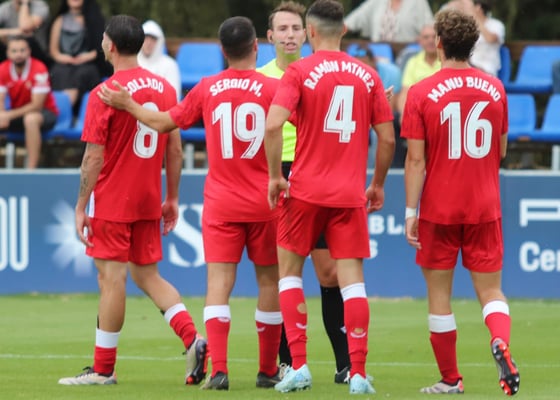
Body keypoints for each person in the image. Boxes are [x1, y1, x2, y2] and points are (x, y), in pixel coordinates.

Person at [97, 16, 283, 391]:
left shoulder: (207, 87)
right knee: (269, 281)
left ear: (222, 50)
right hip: (265, 200)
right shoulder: (274, 88)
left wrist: (129, 104)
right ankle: (267, 370)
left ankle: (220, 371)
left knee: (218, 283)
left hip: (222, 202)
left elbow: (164, 123)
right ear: (256, 47)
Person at [57, 14, 208, 386]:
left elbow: (93, 157)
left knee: (111, 279)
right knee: (147, 274)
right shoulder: (165, 88)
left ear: (109, 45)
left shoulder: (106, 92)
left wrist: (81, 206)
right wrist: (172, 197)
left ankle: (103, 369)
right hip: (147, 197)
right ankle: (193, 338)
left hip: (113, 199)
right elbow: (175, 150)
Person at [265, 0, 395, 394]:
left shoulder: (299, 71)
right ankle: (357, 373)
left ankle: (299, 366)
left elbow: (272, 126)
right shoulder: (368, 75)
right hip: (348, 193)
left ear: (310, 32)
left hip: (304, 191)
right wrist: (377, 184)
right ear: (344, 31)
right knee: (351, 283)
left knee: (289, 274)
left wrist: (275, 177)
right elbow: (388, 138)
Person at [401, 8, 520, 396]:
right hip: (484, 205)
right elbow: (501, 150)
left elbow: (415, 160)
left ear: (438, 43)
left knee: (439, 296)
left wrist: (411, 212)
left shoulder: (420, 92)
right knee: (492, 292)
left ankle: (451, 379)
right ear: (473, 44)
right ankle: (499, 340)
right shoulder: (495, 88)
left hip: (439, 208)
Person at [258, 0, 352, 384]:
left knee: (329, 273)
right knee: (283, 271)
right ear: (270, 36)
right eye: (282, 29)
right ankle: (287, 363)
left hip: (317, 174)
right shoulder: (260, 79)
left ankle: (345, 363)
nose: (290, 35)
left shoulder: (323, 73)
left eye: (296, 28)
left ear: (308, 32)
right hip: (277, 176)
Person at [0, 35, 58, 169]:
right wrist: (2, 115)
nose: (18, 54)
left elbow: (37, 105)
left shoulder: (39, 68)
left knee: (30, 119)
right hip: (17, 113)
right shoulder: (2, 69)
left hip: (45, 113)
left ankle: (31, 171)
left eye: (22, 50)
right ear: (8, 53)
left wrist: (7, 115)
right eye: (14, 51)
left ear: (29, 51)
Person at [347, 44, 404, 168]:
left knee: (377, 131)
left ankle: (372, 171)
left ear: (374, 62)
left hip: (378, 115)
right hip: (354, 116)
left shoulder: (392, 72)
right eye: (358, 65)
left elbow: (390, 108)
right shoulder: (348, 75)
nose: (361, 69)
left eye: (365, 64)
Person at [48, 0, 105, 109]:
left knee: (83, 74)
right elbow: (53, 51)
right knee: (59, 73)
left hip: (87, 64)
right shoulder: (59, 20)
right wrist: (65, 58)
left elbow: (100, 47)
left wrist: (87, 56)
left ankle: (72, 109)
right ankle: (63, 111)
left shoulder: (94, 20)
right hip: (63, 63)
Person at [396, 24, 441, 123]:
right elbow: (405, 93)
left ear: (440, 40)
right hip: (418, 111)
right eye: (426, 37)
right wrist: (404, 115)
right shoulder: (413, 62)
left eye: (434, 37)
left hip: (441, 111)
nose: (430, 40)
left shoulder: (447, 61)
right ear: (420, 41)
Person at [344, 0, 433, 43]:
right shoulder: (377, 2)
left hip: (407, 52)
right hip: (379, 53)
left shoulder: (418, 2)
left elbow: (430, 27)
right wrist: (337, 30)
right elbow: (353, 20)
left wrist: (423, 37)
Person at [138, 19, 181, 100]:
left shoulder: (170, 65)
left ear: (159, 42)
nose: (148, 43)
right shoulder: (132, 63)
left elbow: (174, 96)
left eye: (153, 39)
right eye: (146, 38)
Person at [0, 0, 51, 65]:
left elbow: (25, 27)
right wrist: (12, 32)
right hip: (10, 49)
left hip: (36, 52)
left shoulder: (40, 6)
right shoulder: (5, 8)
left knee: (28, 38)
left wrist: (24, 3)